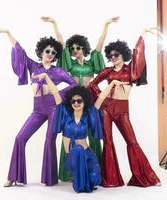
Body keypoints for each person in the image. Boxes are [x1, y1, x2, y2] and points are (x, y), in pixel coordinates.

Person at [0, 27, 77, 187]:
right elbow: (20, 52)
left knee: (49, 140)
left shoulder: (58, 71)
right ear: (41, 52)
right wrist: (8, 33)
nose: (50, 54)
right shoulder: (34, 66)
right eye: (48, 51)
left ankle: (49, 178)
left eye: (53, 53)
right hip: (38, 109)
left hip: (53, 108)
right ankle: (14, 177)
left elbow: (74, 84)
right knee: (20, 138)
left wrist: (58, 94)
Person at [41, 16, 119, 181]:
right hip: (74, 100)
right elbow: (62, 44)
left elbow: (100, 42)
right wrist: (55, 23)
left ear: (84, 48)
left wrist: (106, 25)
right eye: (73, 49)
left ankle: (95, 171)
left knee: (92, 133)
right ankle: (69, 172)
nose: (75, 50)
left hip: (89, 99)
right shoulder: (70, 65)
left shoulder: (92, 62)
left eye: (78, 47)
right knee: (69, 132)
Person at [88, 28, 161, 187]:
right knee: (108, 142)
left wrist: (141, 36)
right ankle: (111, 179)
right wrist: (102, 98)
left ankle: (146, 177)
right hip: (107, 109)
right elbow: (91, 85)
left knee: (132, 141)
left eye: (116, 55)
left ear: (123, 55)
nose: (113, 58)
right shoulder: (107, 71)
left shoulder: (130, 70)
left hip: (122, 110)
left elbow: (138, 58)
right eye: (111, 55)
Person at [33, 71, 125, 192]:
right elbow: (55, 92)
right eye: (73, 101)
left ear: (84, 101)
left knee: (95, 179)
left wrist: (112, 83)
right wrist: (45, 77)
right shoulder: (65, 114)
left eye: (79, 101)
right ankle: (80, 184)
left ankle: (85, 178)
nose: (76, 103)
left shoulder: (88, 114)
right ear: (70, 102)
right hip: (72, 156)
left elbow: (101, 97)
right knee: (78, 149)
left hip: (87, 154)